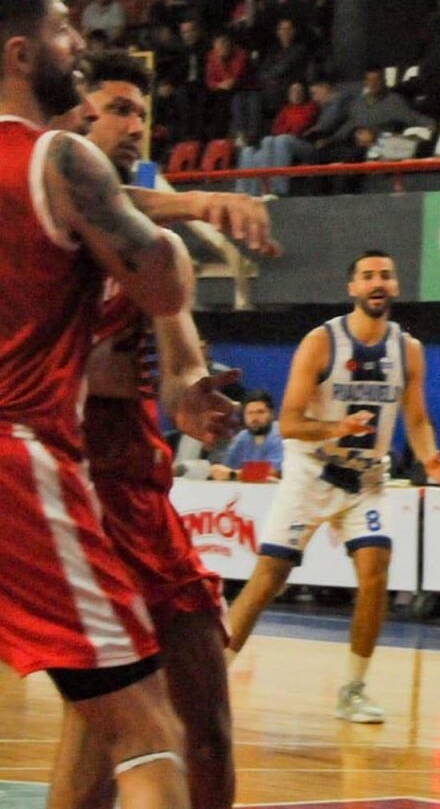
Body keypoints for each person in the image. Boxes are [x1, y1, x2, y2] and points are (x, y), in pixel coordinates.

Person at [45, 47, 275, 809]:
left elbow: (176, 364)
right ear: (79, 116)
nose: (132, 125)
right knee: (116, 723)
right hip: (66, 484)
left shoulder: (154, 251)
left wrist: (195, 394)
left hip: (137, 486)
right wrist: (201, 201)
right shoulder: (45, 231)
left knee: (205, 711)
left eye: (141, 113)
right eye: (117, 109)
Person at [0, 0, 196, 807]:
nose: (75, 45)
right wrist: (181, 228)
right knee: (146, 727)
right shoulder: (57, 159)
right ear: (19, 51)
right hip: (18, 459)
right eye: (60, 27)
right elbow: (162, 286)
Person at [224, 250, 440, 724]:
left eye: (386, 275)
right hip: (311, 469)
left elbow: (415, 417)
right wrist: (336, 428)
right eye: (368, 276)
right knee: (269, 576)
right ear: (351, 288)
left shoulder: (408, 349)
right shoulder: (321, 342)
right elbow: (288, 422)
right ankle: (211, 678)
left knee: (376, 573)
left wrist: (431, 458)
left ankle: (353, 688)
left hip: (365, 477)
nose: (378, 283)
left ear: (395, 286)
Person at [210, 390, 284, 480]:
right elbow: (227, 467)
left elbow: (275, 472)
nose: (254, 418)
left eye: (260, 412)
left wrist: (233, 474)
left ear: (272, 414)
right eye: (250, 413)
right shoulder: (243, 437)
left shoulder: (280, 434)